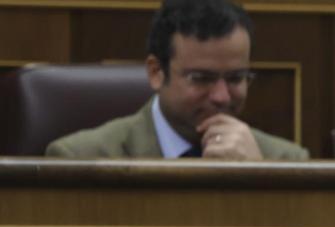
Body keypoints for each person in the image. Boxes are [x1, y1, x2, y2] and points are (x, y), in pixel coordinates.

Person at [45, 0, 307, 160]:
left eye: (236, 78)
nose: (222, 96)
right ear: (156, 72)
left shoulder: (284, 160)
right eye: (202, 78)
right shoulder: (81, 158)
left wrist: (261, 182)